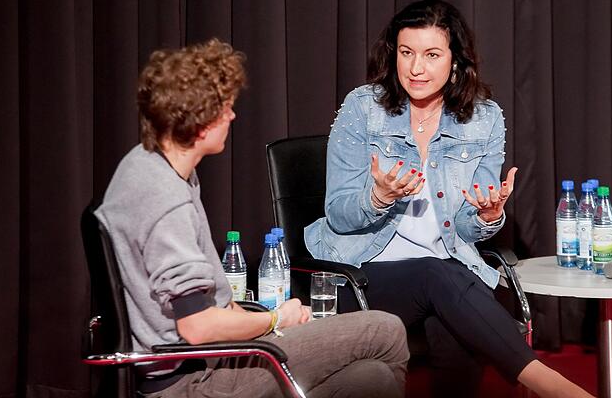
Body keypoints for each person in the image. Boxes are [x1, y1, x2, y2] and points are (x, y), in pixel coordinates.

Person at [305, 0, 592, 397]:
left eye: (431, 54)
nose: (416, 68)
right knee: (437, 274)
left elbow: (465, 231)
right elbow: (338, 216)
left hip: (445, 277)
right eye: (406, 53)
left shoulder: (484, 118)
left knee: (453, 311)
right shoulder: (364, 108)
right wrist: (378, 197)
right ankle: (555, 387)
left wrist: (487, 215)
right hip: (361, 276)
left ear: (456, 61)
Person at [96, 39, 409, 398]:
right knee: (385, 330)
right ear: (199, 124)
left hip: (206, 361)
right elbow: (198, 327)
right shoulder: (166, 200)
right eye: (225, 108)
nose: (231, 116)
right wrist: (276, 320)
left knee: (371, 380)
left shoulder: (145, 163)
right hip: (193, 379)